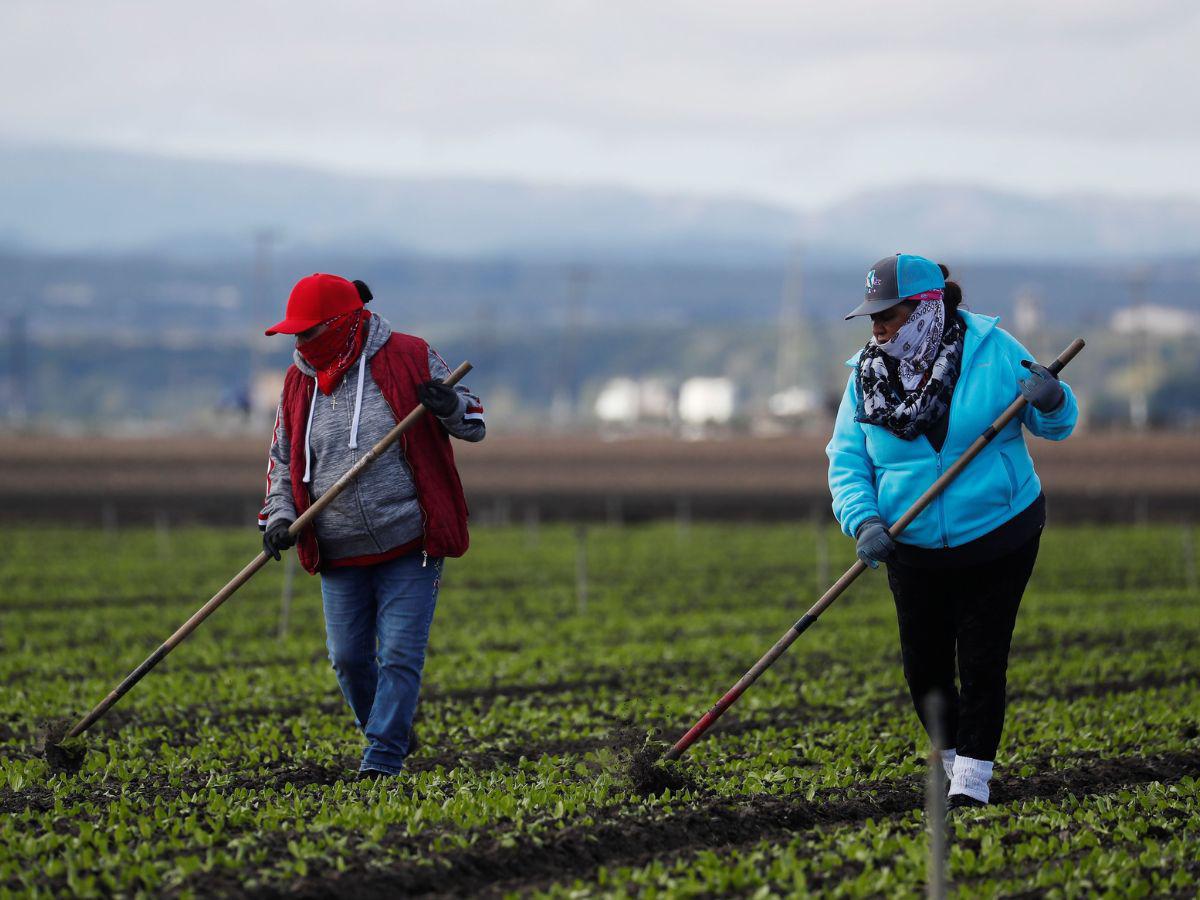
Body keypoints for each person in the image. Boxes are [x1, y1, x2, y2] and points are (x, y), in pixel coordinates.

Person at [826, 253, 1078, 808]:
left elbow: (1055, 424)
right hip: (911, 544)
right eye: (873, 318)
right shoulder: (865, 376)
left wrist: (1054, 400)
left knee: (983, 658)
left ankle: (972, 781)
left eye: (888, 315)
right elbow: (846, 460)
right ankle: (951, 759)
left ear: (925, 308)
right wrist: (863, 519)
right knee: (924, 667)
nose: (878, 328)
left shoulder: (994, 351)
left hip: (1000, 533)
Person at [258, 273, 485, 779]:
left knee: (400, 655)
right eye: (295, 333)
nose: (300, 341)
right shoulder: (297, 381)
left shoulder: (410, 355)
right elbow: (282, 460)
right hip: (338, 549)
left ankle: (382, 759)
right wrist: (279, 518)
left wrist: (449, 406)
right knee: (347, 659)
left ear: (342, 322)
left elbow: (474, 421)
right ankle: (391, 728)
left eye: (308, 331)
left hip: (411, 540)